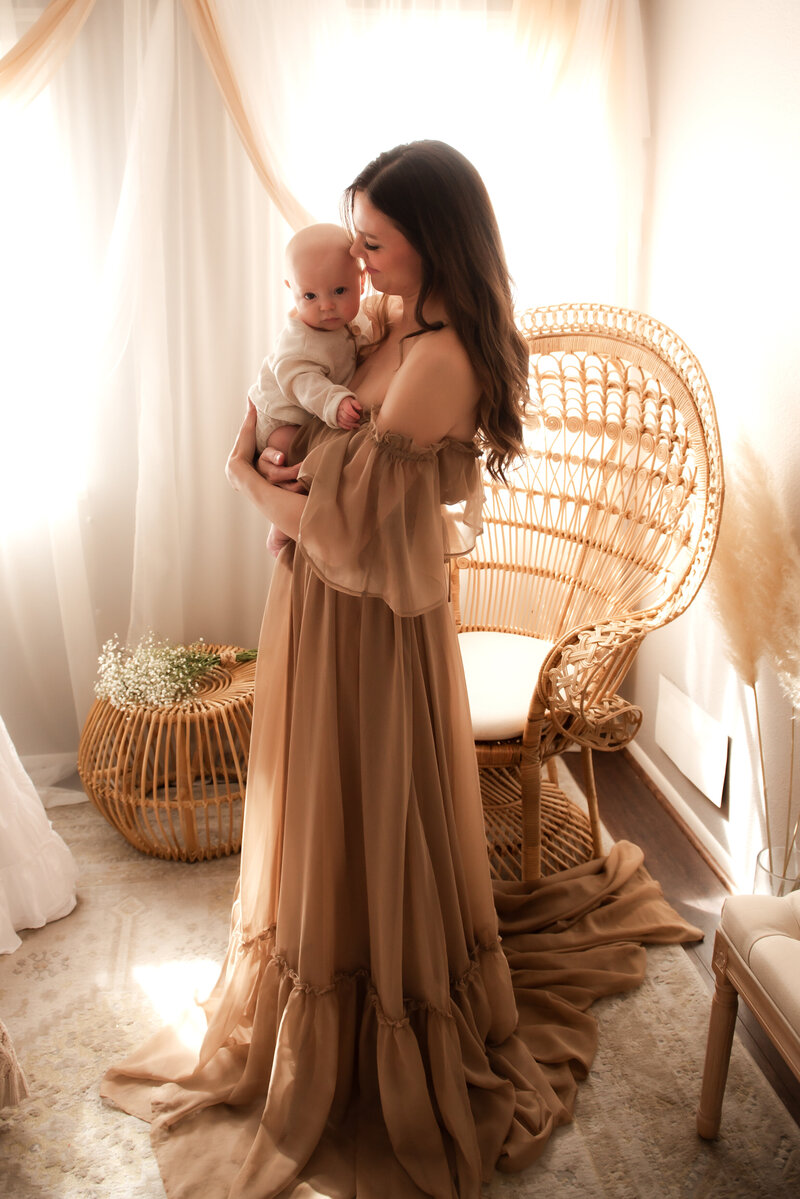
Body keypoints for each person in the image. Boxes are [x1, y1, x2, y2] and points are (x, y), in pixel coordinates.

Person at [102, 141, 700, 1199]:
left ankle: (380, 998)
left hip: (369, 626)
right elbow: (302, 383)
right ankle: (334, 954)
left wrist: (246, 474)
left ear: (431, 239)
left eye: (375, 241)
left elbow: (342, 534)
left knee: (370, 800)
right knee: (325, 810)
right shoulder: (389, 324)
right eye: (359, 240)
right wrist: (276, 432)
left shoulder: (434, 358)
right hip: (330, 617)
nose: (361, 259)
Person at [248, 222, 371, 457]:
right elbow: (303, 384)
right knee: (291, 448)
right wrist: (334, 403)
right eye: (310, 296)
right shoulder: (299, 343)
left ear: (361, 281)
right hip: (279, 416)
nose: (326, 306)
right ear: (292, 290)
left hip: (311, 413)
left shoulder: (360, 318)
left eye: (339, 291)